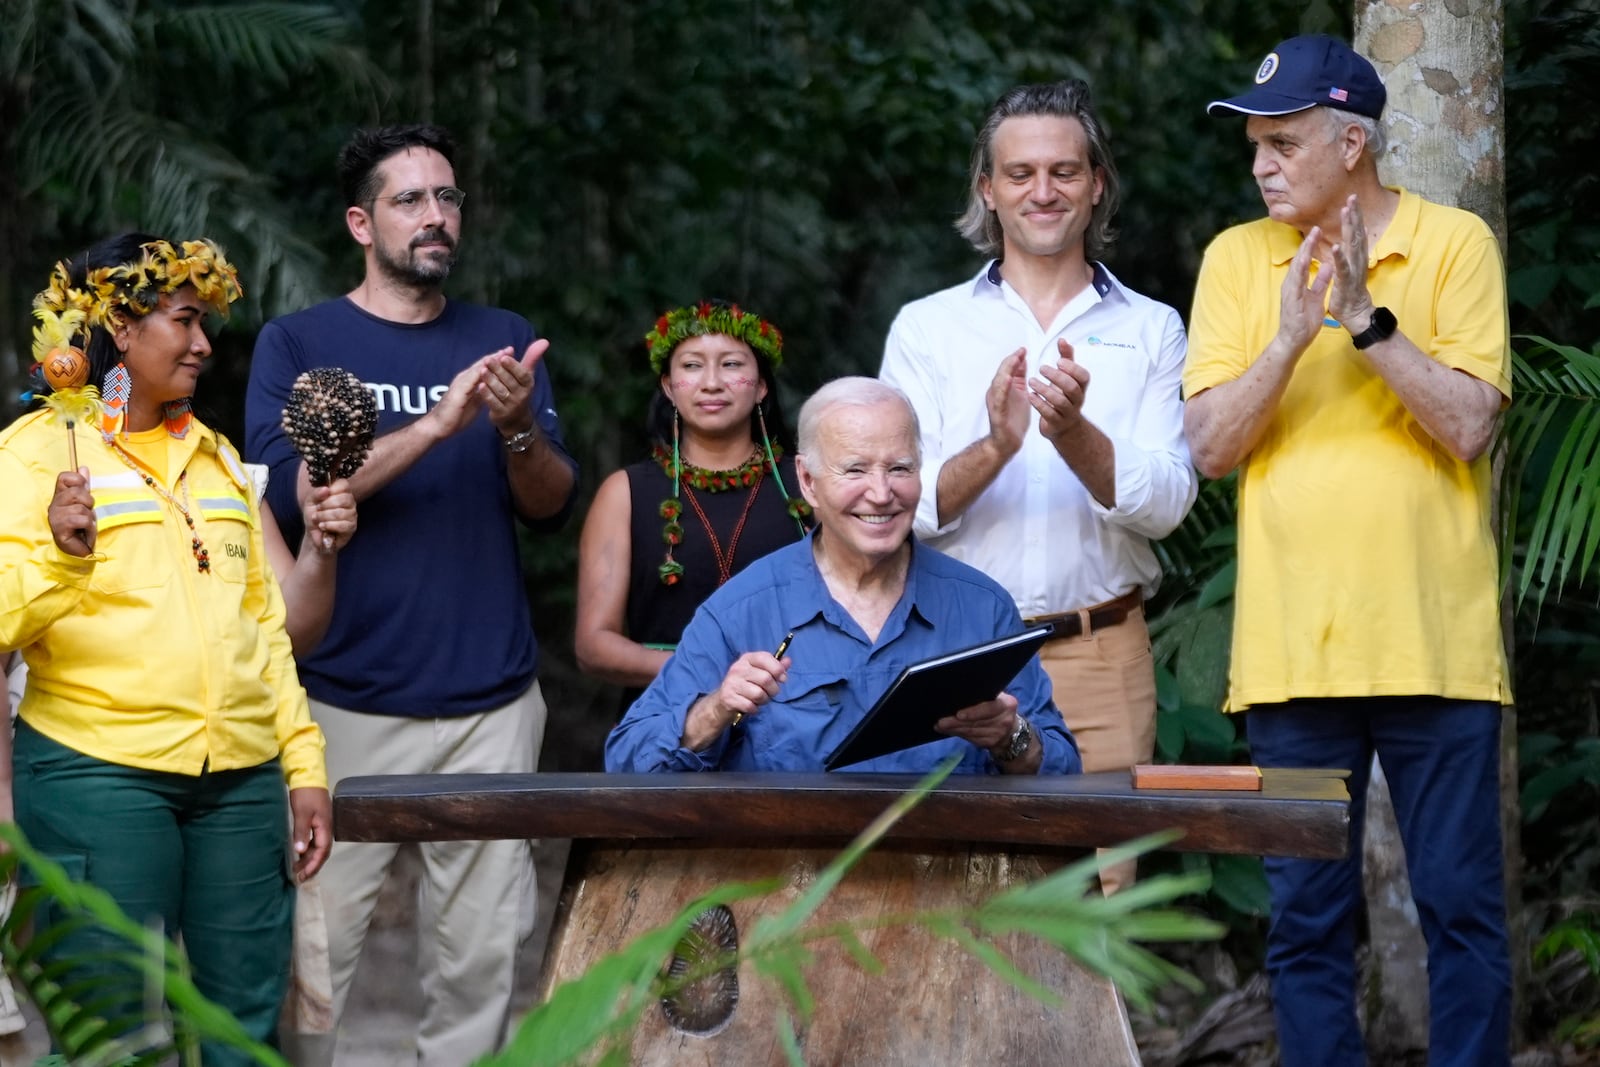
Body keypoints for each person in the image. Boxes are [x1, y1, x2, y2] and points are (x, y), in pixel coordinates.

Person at [1183, 34, 1512, 1066]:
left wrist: (1366, 320)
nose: (1261, 165)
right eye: (1254, 147)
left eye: (1281, 143)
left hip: (1436, 651)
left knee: (1460, 908)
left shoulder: (1455, 244)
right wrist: (1286, 337)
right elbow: (1208, 449)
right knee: (1305, 922)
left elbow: (1467, 425)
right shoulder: (1237, 259)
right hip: (1290, 662)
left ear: (1352, 141)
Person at [244, 122, 579, 1065]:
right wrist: (436, 426)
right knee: (315, 955)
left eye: (448, 198)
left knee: (479, 961)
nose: (437, 216)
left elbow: (550, 504)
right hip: (338, 702)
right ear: (361, 222)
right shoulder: (300, 342)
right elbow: (289, 496)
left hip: (491, 702)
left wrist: (515, 429)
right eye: (410, 200)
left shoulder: (501, 338)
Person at [0, 234, 332, 1062]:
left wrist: (303, 762)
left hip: (244, 784)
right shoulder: (35, 453)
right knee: (113, 1035)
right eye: (185, 320)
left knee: (243, 1031)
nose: (203, 343)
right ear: (118, 323)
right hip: (95, 774)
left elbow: (263, 627)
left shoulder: (216, 458)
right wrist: (58, 554)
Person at [878, 79, 1195, 889]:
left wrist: (1072, 436)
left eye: (1064, 171)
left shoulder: (1151, 325)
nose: (1042, 191)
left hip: (1101, 654)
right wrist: (997, 444)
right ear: (987, 189)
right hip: (954, 659)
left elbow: (1165, 505)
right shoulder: (928, 326)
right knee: (951, 906)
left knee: (1107, 914)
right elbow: (890, 508)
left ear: (1097, 186)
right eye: (1020, 173)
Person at [605, 377, 1079, 777]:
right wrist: (714, 710)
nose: (881, 493)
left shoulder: (980, 606)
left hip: (950, 878)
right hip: (785, 879)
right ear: (808, 481)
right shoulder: (742, 610)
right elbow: (626, 763)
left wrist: (1011, 738)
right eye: (855, 469)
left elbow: (1063, 769)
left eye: (900, 468)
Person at [575, 301, 810, 711]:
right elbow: (594, 646)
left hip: (798, 712)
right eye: (692, 366)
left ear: (761, 385)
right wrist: (709, 672)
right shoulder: (625, 492)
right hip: (667, 716)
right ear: (668, 386)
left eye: (732, 364)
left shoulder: (810, 483)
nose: (712, 383)